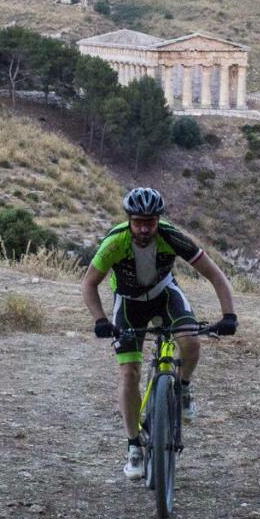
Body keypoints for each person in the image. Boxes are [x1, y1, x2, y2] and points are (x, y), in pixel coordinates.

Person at [81, 187, 238, 481]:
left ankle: (183, 389)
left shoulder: (171, 236)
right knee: (129, 372)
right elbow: (89, 284)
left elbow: (216, 275)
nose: (144, 228)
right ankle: (134, 447)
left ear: (158, 220)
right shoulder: (116, 242)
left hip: (165, 294)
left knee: (191, 342)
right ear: (129, 219)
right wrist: (100, 319)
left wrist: (229, 315)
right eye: (138, 221)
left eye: (150, 222)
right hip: (128, 304)